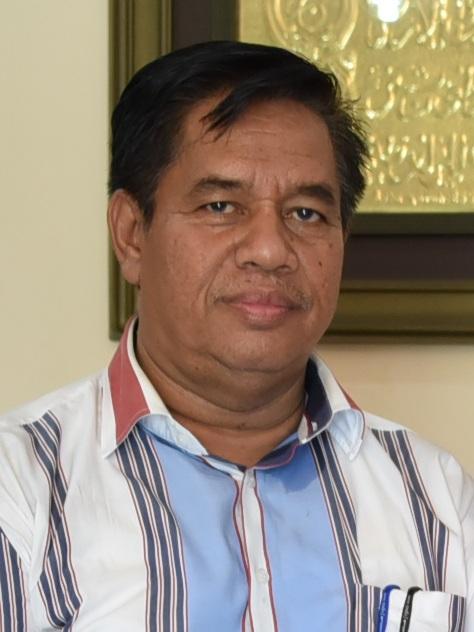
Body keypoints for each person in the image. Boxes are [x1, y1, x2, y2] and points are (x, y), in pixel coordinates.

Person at [0, 41, 471, 632]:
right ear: (131, 233)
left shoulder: (435, 498)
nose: (270, 250)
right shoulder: (21, 491)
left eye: (306, 213)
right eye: (221, 205)